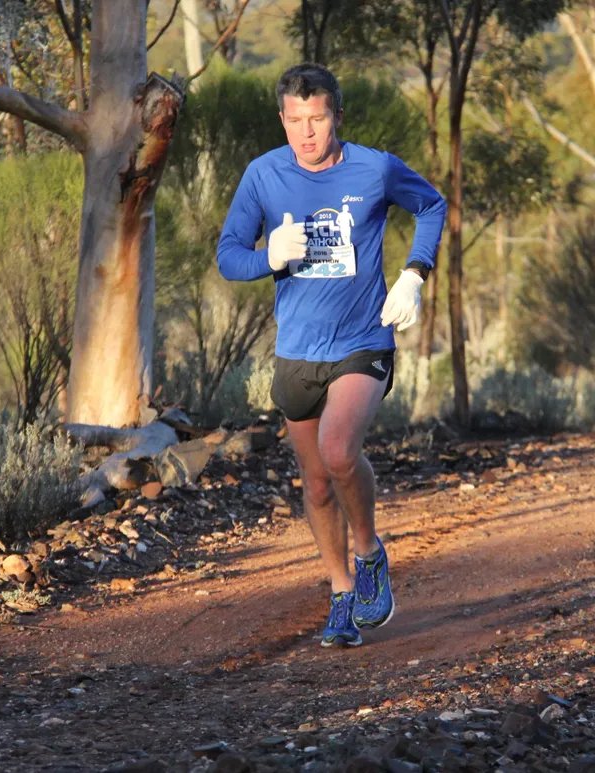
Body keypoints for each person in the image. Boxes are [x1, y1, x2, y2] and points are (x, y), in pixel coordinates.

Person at [217, 63, 446, 647]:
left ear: (337, 116)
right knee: (316, 484)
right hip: (298, 350)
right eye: (296, 121)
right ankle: (343, 593)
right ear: (283, 119)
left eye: (317, 119)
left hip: (363, 340)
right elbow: (228, 257)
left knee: (339, 451)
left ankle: (369, 554)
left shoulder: (375, 168)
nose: (307, 133)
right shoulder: (263, 175)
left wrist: (415, 274)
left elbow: (431, 206)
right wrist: (269, 256)